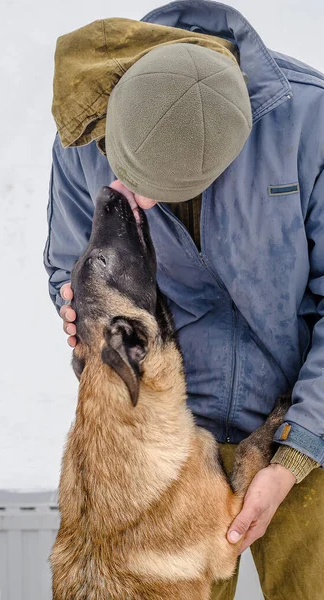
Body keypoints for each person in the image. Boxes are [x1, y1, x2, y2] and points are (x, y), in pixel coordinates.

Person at [44, 1, 324, 598]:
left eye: (155, 192)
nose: (131, 201)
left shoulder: (310, 123)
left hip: (305, 425)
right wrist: (82, 325)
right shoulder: (84, 131)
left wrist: (299, 450)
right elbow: (71, 266)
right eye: (126, 174)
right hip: (164, 448)